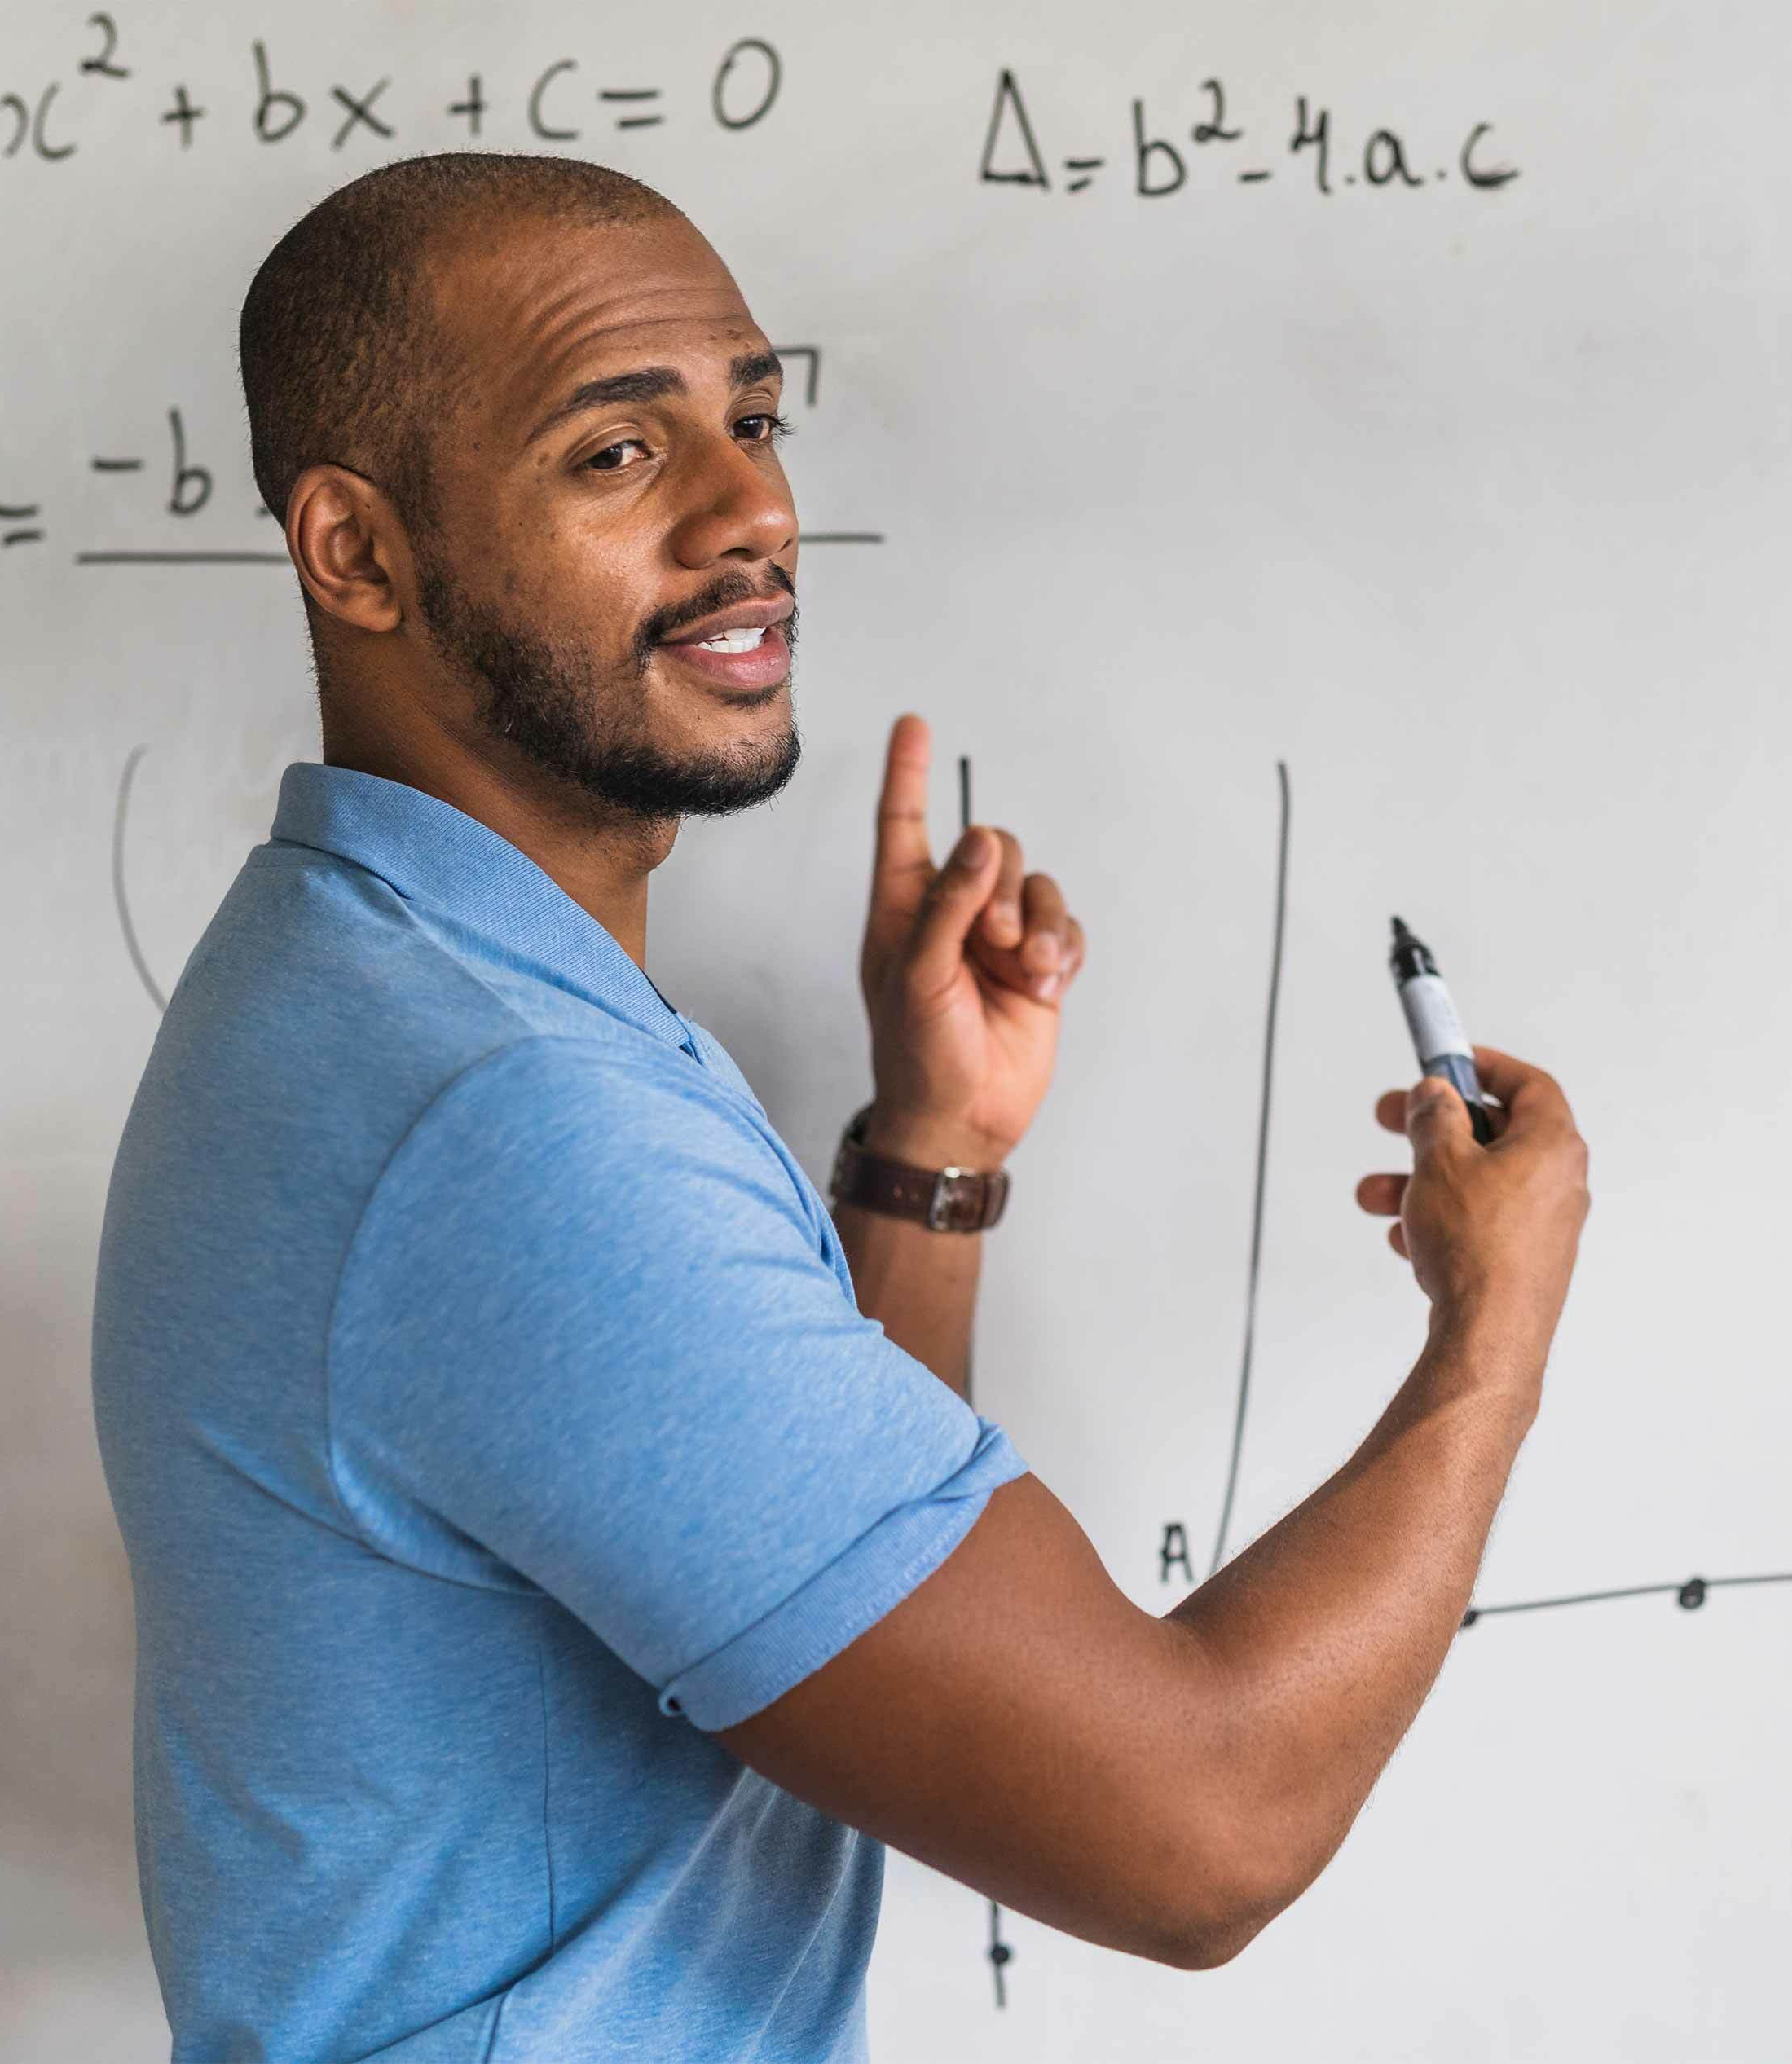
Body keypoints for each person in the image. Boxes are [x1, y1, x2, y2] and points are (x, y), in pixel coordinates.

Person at [92, 150, 1590, 2062]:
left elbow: (833, 1604)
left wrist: (930, 1154)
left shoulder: (374, 978)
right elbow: (1197, 1827)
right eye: (617, 452)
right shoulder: (507, 1116)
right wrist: (1494, 1327)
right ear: (358, 555)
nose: (756, 511)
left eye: (755, 420)